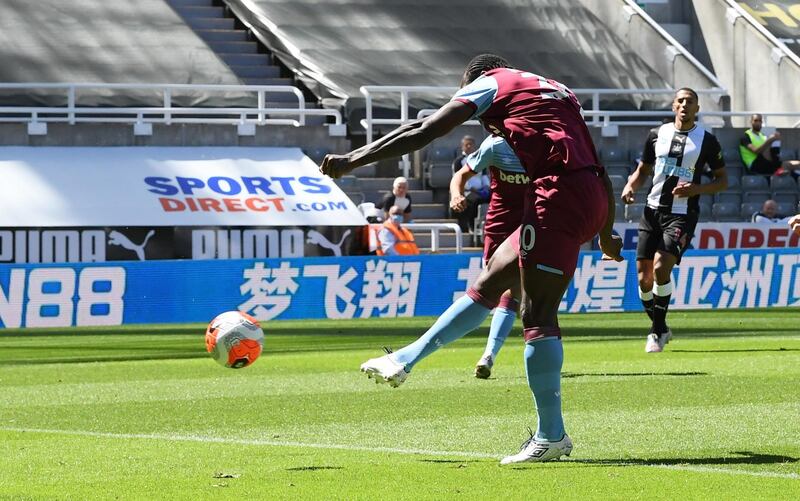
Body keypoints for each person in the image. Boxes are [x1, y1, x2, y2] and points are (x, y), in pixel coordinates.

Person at [320, 54, 623, 465]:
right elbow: (599, 167)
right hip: (580, 195)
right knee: (490, 281)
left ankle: (552, 436)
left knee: (537, 317)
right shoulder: (555, 90)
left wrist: (352, 160)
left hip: (557, 196)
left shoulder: (491, 82)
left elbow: (423, 129)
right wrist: (605, 232)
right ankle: (406, 359)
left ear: (474, 80)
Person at [621, 88, 728, 353]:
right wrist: (630, 185)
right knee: (644, 280)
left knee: (660, 268)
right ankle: (662, 326)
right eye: (680, 101)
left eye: (689, 102)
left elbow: (722, 181)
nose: (684, 105)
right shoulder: (657, 135)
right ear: (673, 106)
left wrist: (696, 190)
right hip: (651, 210)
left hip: (682, 213)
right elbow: (644, 169)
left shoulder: (707, 141)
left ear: (697, 108)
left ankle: (656, 333)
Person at [450, 134, 528, 378]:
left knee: (512, 289)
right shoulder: (494, 145)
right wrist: (456, 195)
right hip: (498, 223)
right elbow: (460, 176)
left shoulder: (539, 142)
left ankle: (489, 354)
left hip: (527, 225)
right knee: (491, 289)